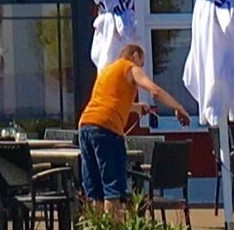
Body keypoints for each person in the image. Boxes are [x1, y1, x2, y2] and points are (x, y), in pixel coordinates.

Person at [77, 41, 189, 208]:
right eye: (141, 63)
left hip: (86, 125)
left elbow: (109, 102)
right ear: (135, 56)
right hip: (107, 129)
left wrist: (135, 108)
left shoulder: (106, 71)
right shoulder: (130, 67)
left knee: (95, 191)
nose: (141, 68)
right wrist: (178, 107)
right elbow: (154, 90)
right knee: (112, 189)